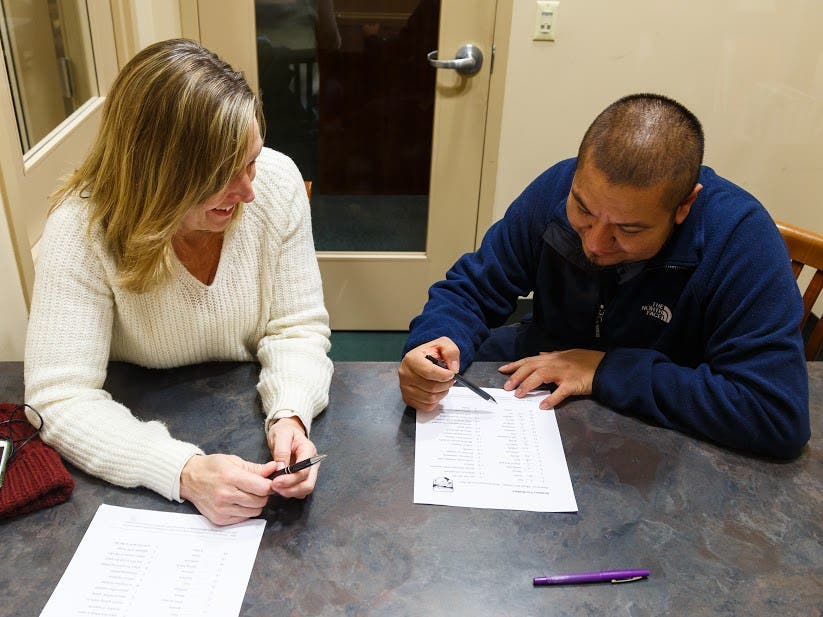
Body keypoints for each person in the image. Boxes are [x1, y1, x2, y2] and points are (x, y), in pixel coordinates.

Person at [399, 93, 810, 460]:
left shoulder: (739, 238)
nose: (595, 244)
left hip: (662, 427)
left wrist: (604, 370)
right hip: (541, 370)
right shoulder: (556, 187)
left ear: (684, 206)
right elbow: (472, 289)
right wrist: (437, 340)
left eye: (628, 230)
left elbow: (774, 414)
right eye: (583, 211)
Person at [24, 39, 333, 525]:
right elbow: (59, 397)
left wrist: (291, 411)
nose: (250, 190)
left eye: (251, 158)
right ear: (159, 173)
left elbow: (296, 327)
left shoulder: (276, 183)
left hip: (243, 413)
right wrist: (182, 471)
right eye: (224, 173)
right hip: (134, 426)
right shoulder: (82, 227)